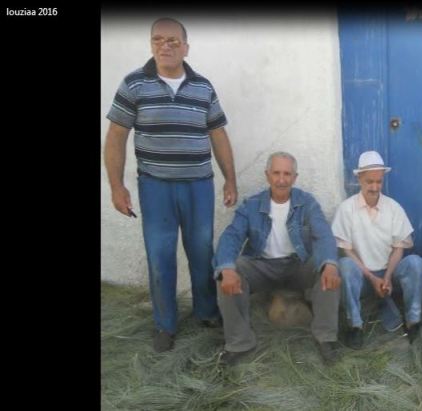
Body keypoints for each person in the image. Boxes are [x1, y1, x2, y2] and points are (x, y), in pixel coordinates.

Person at [104, 17, 237, 352]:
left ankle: (207, 312)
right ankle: (165, 325)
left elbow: (218, 135)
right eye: (158, 40)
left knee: (201, 251)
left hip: (198, 185)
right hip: (155, 187)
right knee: (160, 254)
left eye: (173, 41)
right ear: (151, 45)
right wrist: (116, 186)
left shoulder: (203, 87)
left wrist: (230, 179)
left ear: (186, 47)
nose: (165, 45)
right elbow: (116, 137)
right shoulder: (134, 84)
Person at [213, 152, 342, 366]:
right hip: (262, 266)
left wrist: (329, 263)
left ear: (295, 177)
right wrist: (227, 268)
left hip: (297, 264)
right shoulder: (251, 205)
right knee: (228, 271)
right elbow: (231, 236)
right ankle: (239, 343)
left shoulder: (307, 203)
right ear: (267, 175)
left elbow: (324, 235)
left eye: (287, 174)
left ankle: (326, 338)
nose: (281, 179)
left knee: (328, 269)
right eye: (276, 173)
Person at [331, 151, 422, 348]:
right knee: (345, 265)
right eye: (369, 181)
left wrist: (388, 277)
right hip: (363, 276)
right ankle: (355, 326)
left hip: (388, 274)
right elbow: (346, 250)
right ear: (359, 179)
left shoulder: (393, 208)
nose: (374, 187)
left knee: (416, 263)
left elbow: (399, 248)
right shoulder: (346, 209)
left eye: (378, 181)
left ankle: (413, 322)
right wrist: (372, 278)